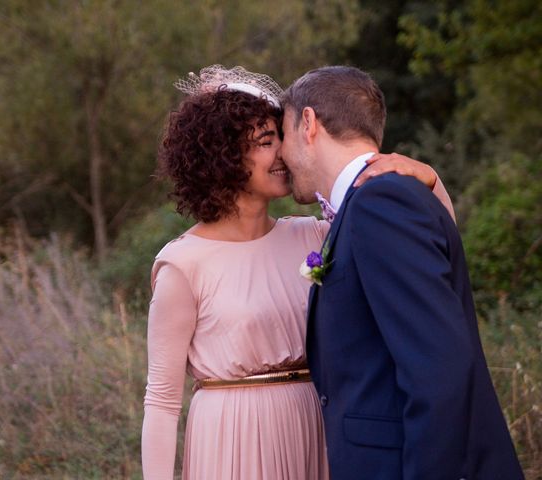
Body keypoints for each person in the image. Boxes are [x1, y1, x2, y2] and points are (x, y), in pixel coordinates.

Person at [141, 65, 455, 480]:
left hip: (317, 428)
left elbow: (438, 251)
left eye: (282, 139)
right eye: (267, 142)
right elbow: (162, 400)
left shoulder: (316, 235)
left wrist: (429, 181)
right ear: (223, 155)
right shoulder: (183, 264)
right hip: (232, 439)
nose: (284, 154)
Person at [280, 65, 524, 480]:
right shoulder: (373, 202)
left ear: (308, 123)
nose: (282, 154)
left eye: (282, 134)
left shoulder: (381, 203)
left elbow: (439, 370)